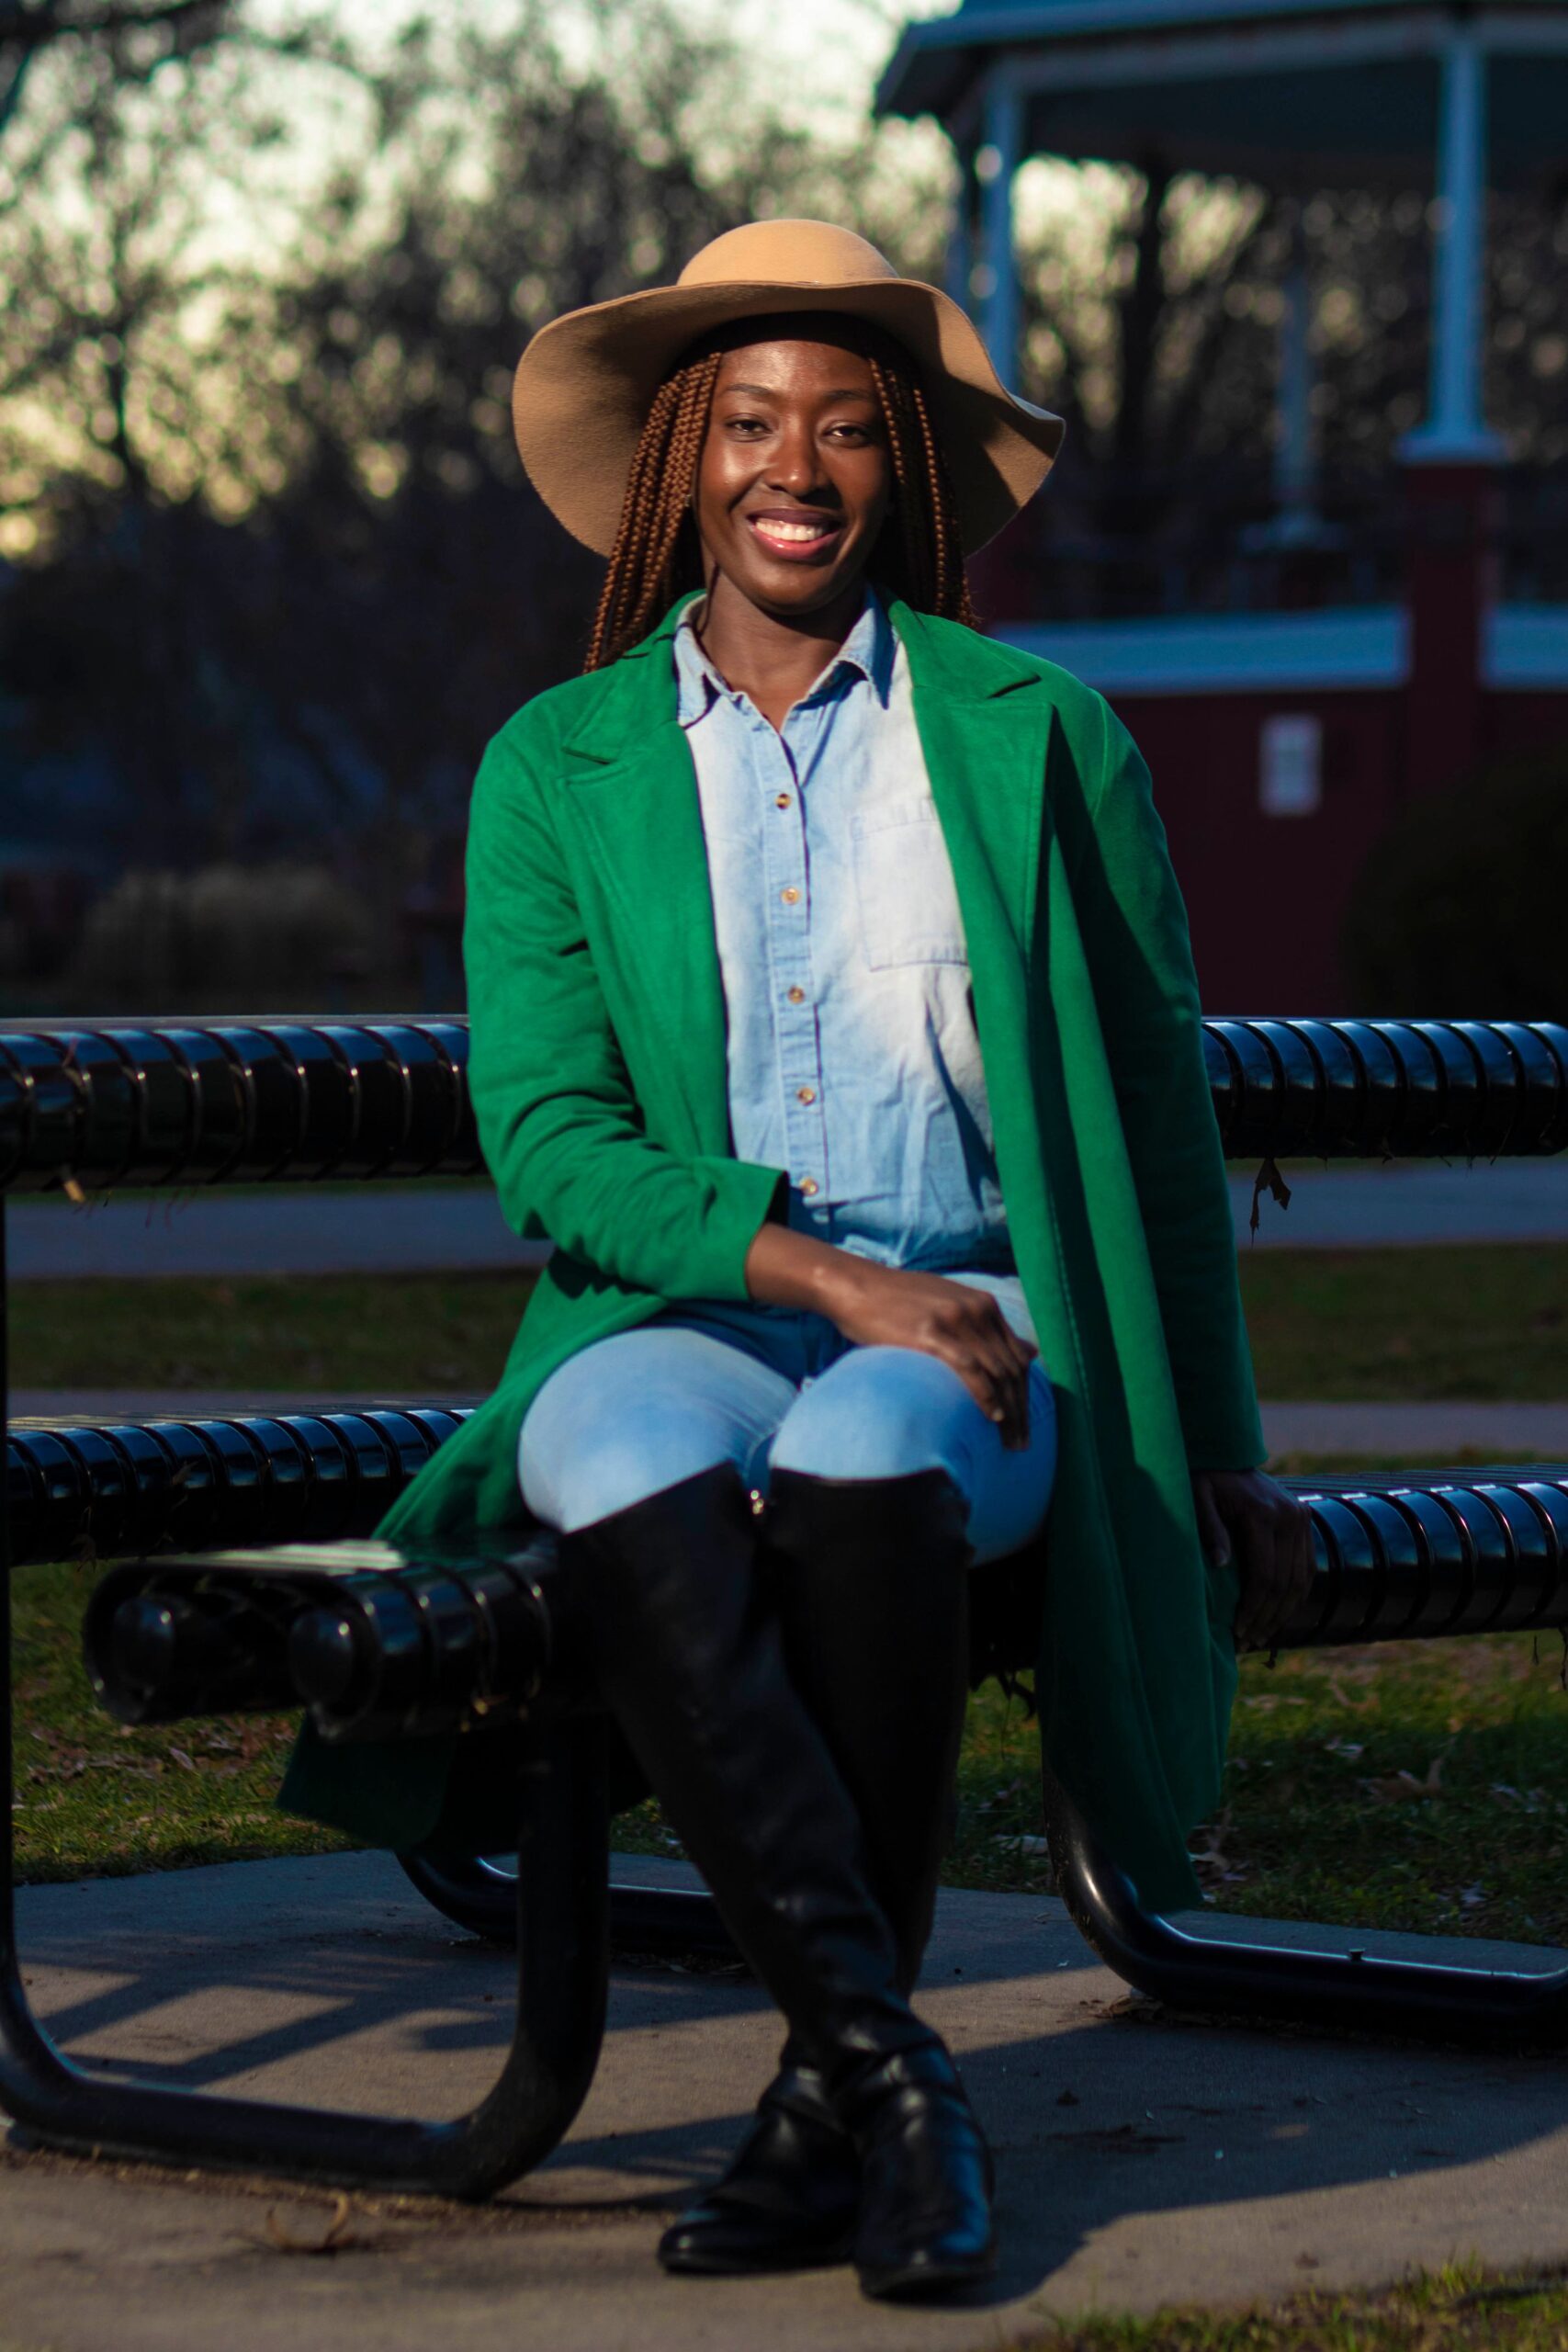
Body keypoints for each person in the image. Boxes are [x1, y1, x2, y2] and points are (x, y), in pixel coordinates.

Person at [282, 219, 1314, 2301]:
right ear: (680, 457)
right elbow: (554, 1145)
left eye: (845, 427)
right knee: (616, 1451)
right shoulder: (551, 769)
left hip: (990, 1329)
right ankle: (885, 2072)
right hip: (677, 1307)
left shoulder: (1038, 739)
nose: (797, 465)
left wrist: (1216, 1439)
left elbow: (1154, 1130)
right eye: (749, 421)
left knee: (865, 1453)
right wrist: (828, 1278)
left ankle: (828, 2085)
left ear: (902, 470)